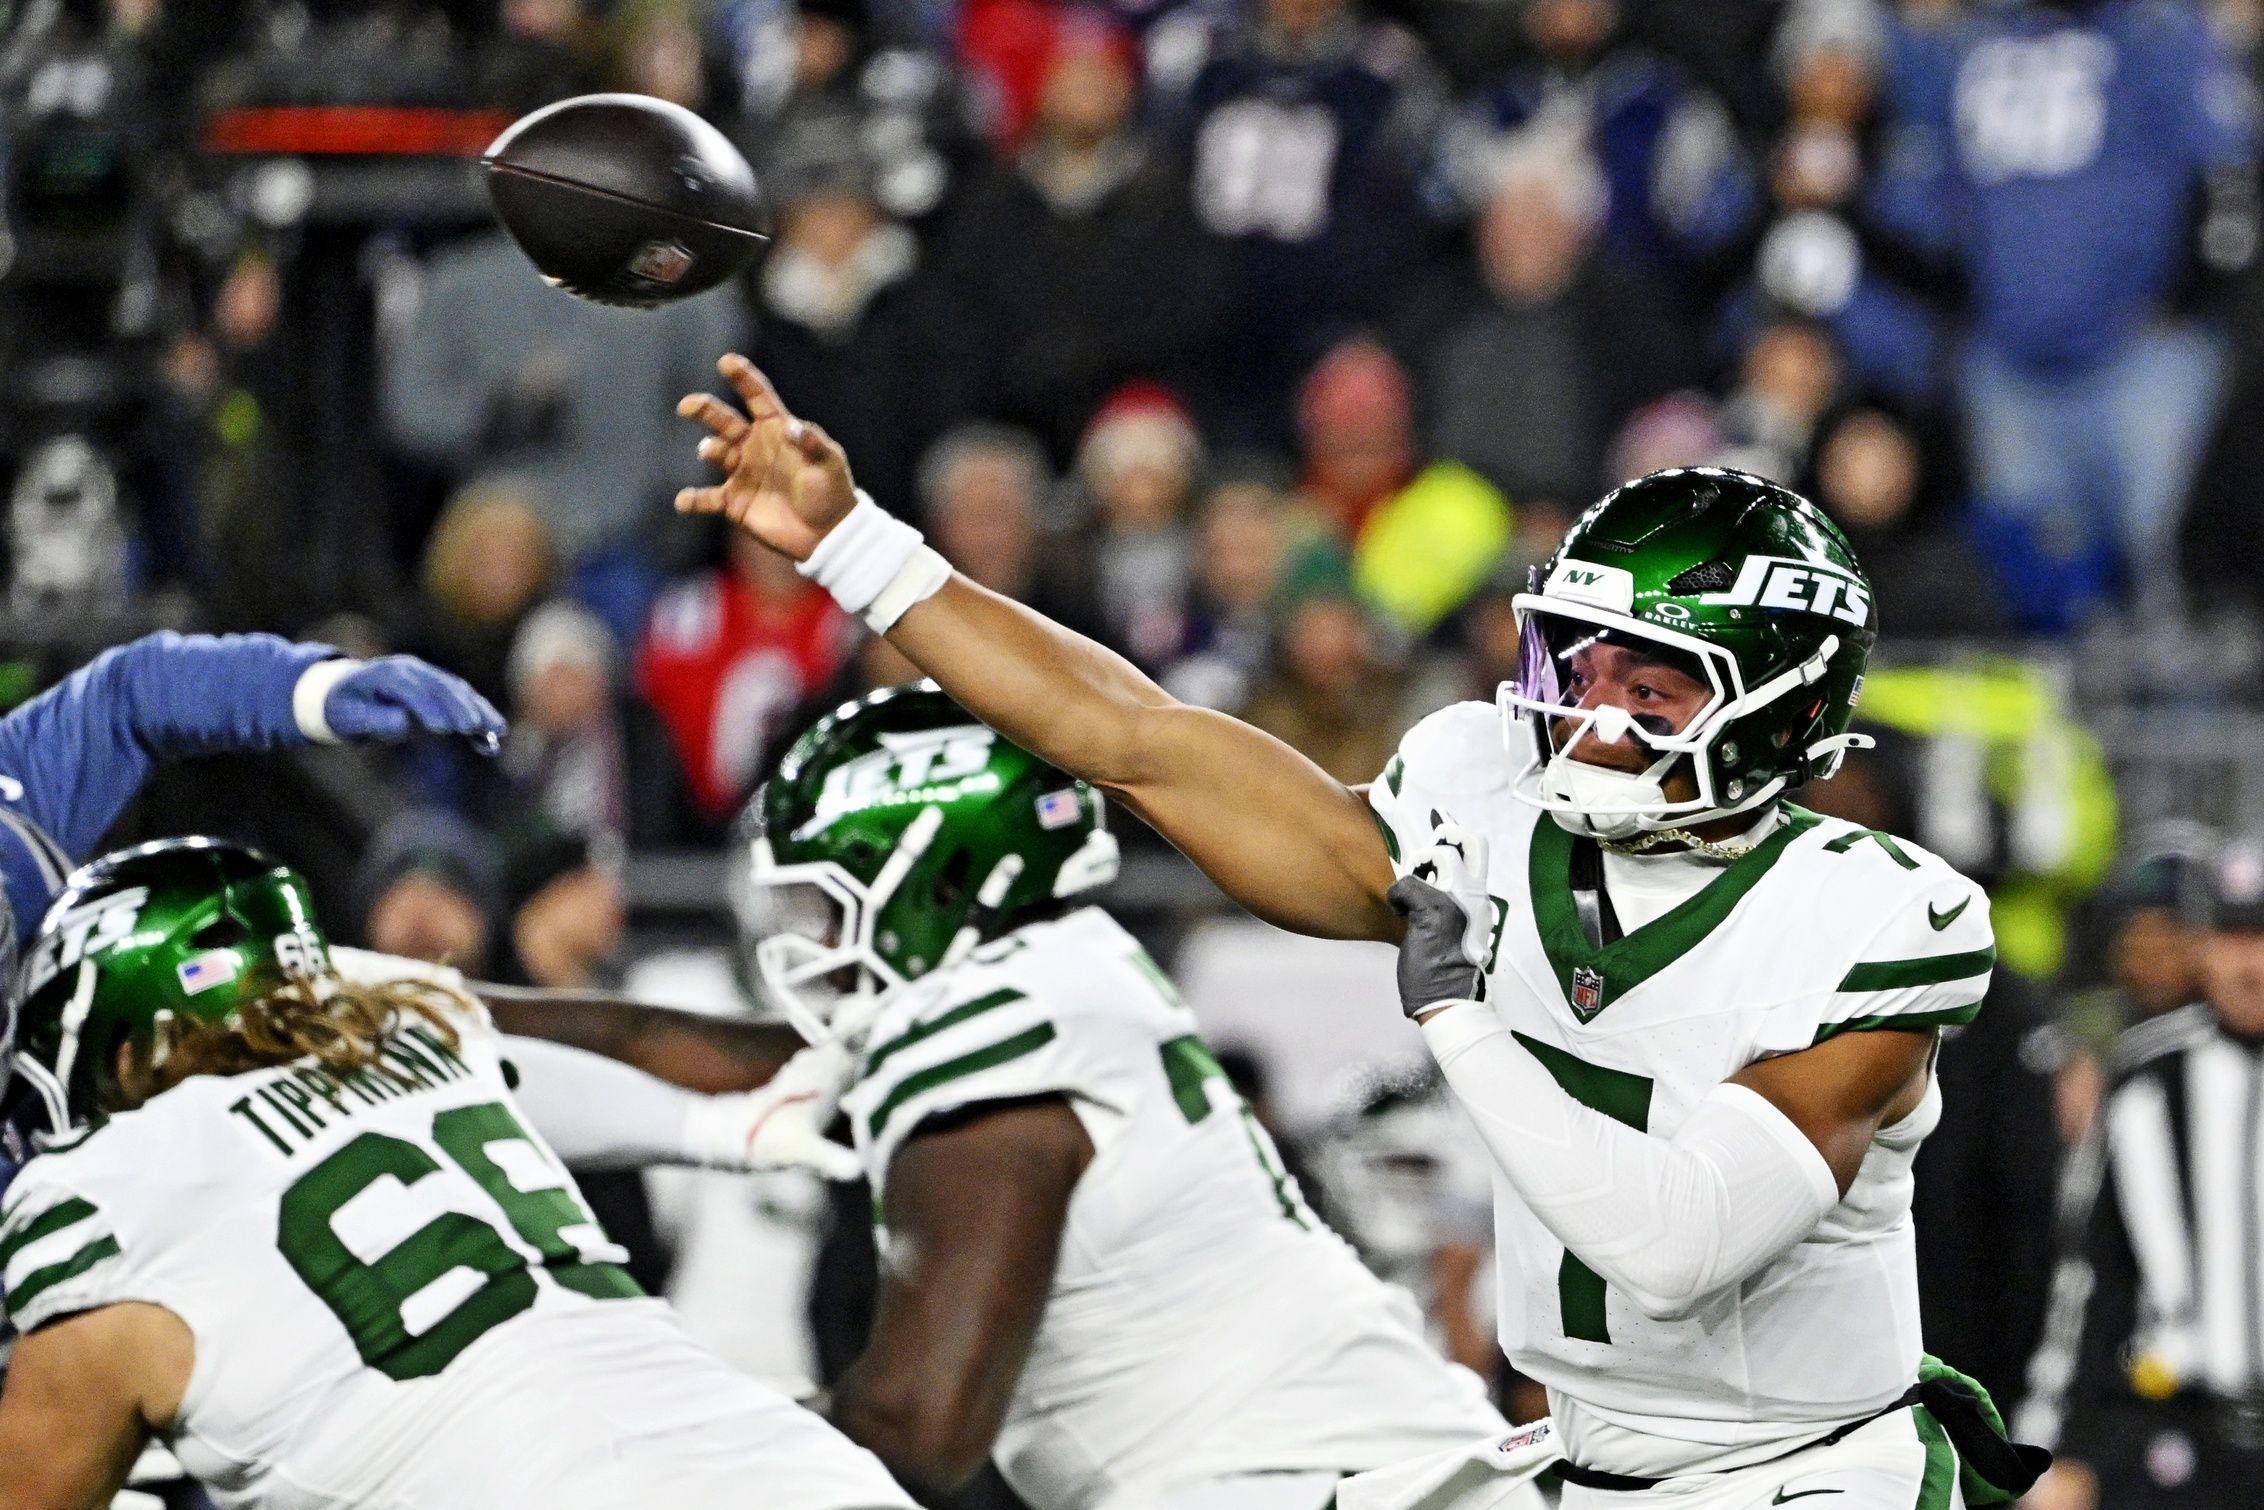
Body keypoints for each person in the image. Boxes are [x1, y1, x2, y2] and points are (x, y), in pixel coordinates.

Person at [674, 356, 2055, 1507]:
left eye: (1656, 683)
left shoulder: (1874, 915)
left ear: (1787, 708)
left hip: (1812, 1475)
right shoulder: (1485, 795)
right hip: (1576, 1464)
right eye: (1580, 662)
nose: (1592, 713)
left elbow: (1677, 1241)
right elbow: (1140, 741)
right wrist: (862, 548)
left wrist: (1455, 1012)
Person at [738, 683, 1511, 1508]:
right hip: (1348, 1471)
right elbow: (749, 1065)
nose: (814, 939)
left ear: (937, 878)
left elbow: (918, 1431)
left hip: (1296, 1482)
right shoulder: (1060, 971)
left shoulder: (994, 1036)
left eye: (826, 903)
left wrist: (676, 1448)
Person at [0, 837, 908, 1510]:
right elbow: (509, 1059)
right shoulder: (417, 1053)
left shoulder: (113, 1192)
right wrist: (709, 1129)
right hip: (811, 1475)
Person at [2016, 833, 2264, 1509]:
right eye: (2233, 938)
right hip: (2181, 1437)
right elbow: (2088, 1275)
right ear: (2205, 947)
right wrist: (2056, 1446)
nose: (2250, 965)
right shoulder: (2145, 1081)